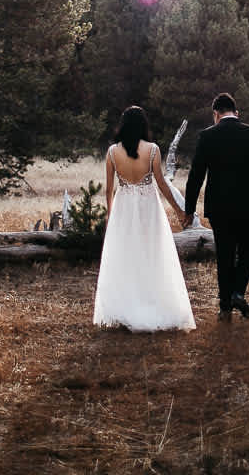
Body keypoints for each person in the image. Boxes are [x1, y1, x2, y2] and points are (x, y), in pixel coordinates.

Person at [92, 106, 195, 332]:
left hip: (123, 210)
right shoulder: (153, 150)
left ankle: (126, 308)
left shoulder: (111, 153)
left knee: (126, 256)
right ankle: (152, 304)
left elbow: (109, 190)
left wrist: (110, 217)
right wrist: (179, 210)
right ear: (143, 126)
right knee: (151, 254)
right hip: (149, 209)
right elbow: (161, 184)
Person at [182, 92, 249, 322]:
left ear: (216, 114)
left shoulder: (207, 136)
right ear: (236, 112)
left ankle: (225, 306)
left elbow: (196, 176)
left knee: (224, 255)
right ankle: (237, 293)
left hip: (219, 208)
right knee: (246, 253)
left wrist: (189, 209)